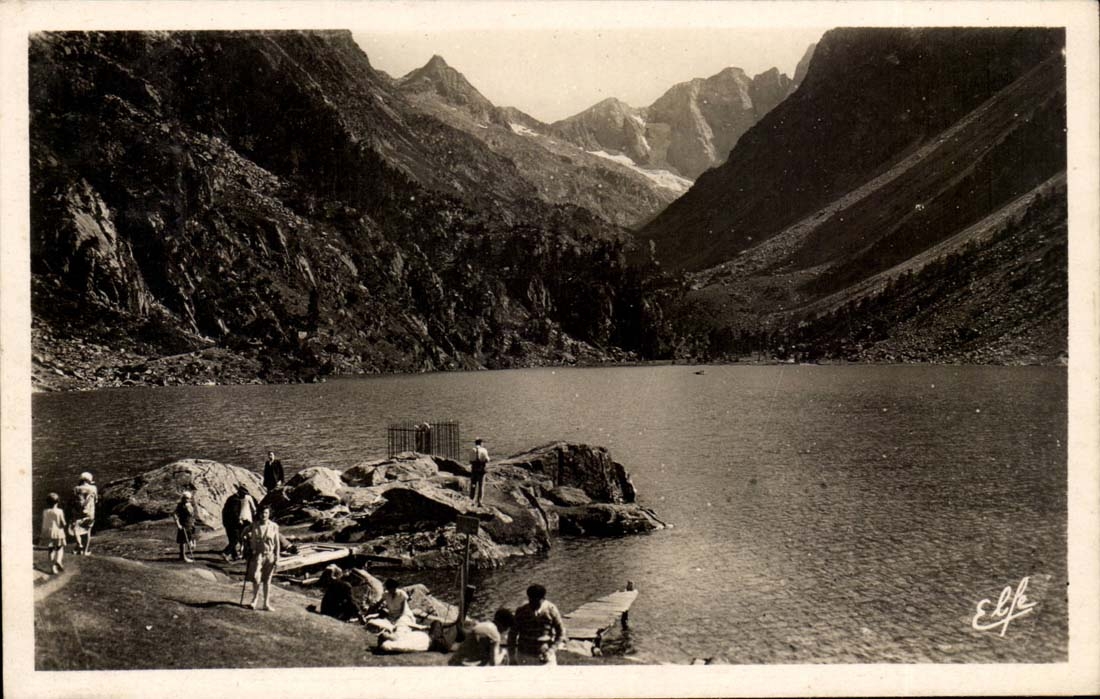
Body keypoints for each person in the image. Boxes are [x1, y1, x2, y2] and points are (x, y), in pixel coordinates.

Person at [508, 584, 565, 666]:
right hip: (524, 655)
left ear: (543, 599)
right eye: (531, 601)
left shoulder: (551, 609)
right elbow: (512, 634)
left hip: (545, 654)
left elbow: (561, 632)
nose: (534, 604)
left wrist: (551, 650)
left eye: (537, 601)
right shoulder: (521, 611)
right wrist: (512, 657)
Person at [244, 505, 280, 611]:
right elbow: (243, 534)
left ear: (269, 514)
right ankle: (254, 600)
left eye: (266, 513)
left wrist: (277, 557)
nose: (264, 515)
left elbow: (277, 543)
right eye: (262, 513)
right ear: (259, 514)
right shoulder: (254, 525)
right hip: (257, 555)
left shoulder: (274, 526)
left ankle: (266, 603)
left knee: (267, 580)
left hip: (269, 555)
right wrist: (246, 540)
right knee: (256, 578)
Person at [448, 608, 514, 666]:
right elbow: (494, 663)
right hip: (466, 668)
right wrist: (503, 653)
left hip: (454, 661)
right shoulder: (495, 635)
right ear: (505, 627)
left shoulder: (480, 625)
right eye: (507, 629)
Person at [221, 485, 257, 561]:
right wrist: (239, 520)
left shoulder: (232, 498)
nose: (245, 496)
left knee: (233, 539)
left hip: (228, 522)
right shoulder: (235, 500)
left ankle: (234, 556)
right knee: (235, 539)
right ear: (240, 492)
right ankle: (226, 553)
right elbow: (234, 513)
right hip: (232, 523)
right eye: (244, 494)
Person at [40, 492, 67, 574]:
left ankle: (52, 568)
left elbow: (45, 522)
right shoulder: (59, 511)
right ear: (58, 501)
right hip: (58, 532)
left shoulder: (45, 511)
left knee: (51, 549)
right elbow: (63, 523)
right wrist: (66, 525)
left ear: (47, 502)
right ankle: (58, 561)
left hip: (48, 532)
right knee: (59, 548)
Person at [71, 471, 98, 555]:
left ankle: (79, 546)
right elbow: (96, 500)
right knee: (87, 531)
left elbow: (73, 502)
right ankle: (85, 551)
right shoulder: (93, 488)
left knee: (76, 529)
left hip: (78, 512)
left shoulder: (76, 488)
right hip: (90, 512)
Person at [172, 490, 196, 562]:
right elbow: (174, 514)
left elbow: (192, 514)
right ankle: (182, 556)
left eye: (188, 498)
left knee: (190, 538)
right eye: (185, 498)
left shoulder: (191, 504)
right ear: (183, 498)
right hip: (183, 524)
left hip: (190, 524)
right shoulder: (180, 505)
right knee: (182, 541)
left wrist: (193, 522)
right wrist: (178, 524)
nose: (187, 499)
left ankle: (186, 553)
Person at [469, 438, 490, 506]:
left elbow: (470, 460)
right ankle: (479, 502)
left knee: (473, 485)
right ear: (481, 443)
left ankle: (471, 500)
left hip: (474, 469)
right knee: (481, 486)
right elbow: (487, 459)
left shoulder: (472, 450)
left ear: (475, 443)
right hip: (481, 469)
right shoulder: (484, 450)